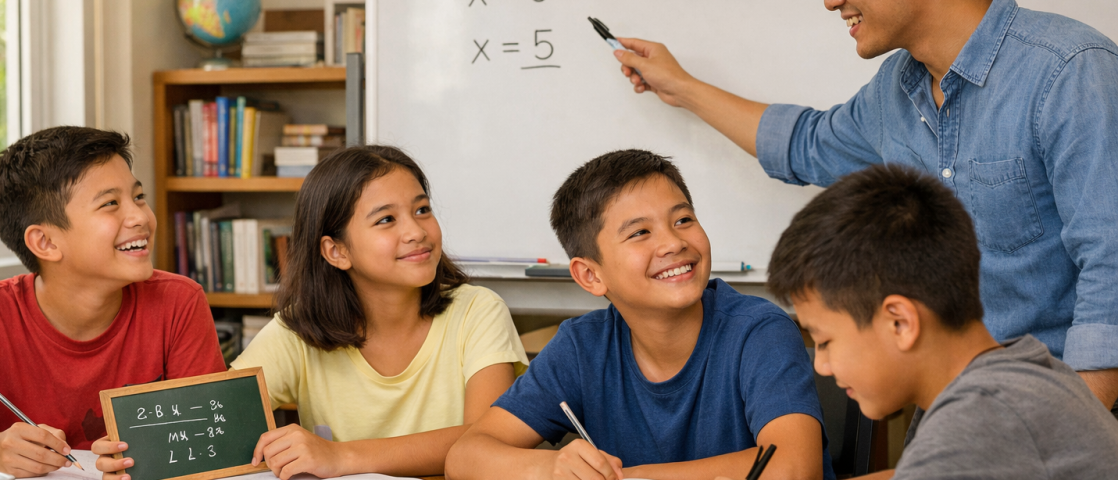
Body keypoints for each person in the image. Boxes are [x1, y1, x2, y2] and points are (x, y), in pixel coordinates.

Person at [610, 0, 1118, 410]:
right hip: (961, 404)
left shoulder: (1070, 70)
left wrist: (1067, 432)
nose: (831, 3)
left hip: (1073, 408)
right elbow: (805, 145)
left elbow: (1111, 262)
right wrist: (681, 86)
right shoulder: (895, 90)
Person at [96, 146, 529, 480]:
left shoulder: (477, 311)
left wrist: (341, 456)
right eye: (386, 220)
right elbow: (218, 419)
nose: (416, 231)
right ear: (336, 251)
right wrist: (131, 452)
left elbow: (484, 441)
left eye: (422, 210)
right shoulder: (297, 330)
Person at [446, 150, 833, 480]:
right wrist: (552, 467)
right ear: (591, 275)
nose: (673, 242)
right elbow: (465, 457)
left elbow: (794, 467)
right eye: (640, 233)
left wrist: (628, 477)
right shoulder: (582, 347)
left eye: (683, 220)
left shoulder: (759, 331)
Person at [761, 164, 1118, 478]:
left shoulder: (976, 427)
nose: (821, 366)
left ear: (900, 323)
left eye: (825, 341)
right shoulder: (1026, 374)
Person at [0, 127, 227, 477]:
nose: (141, 216)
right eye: (110, 203)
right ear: (45, 242)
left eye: (138, 196)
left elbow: (212, 436)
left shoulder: (179, 302)